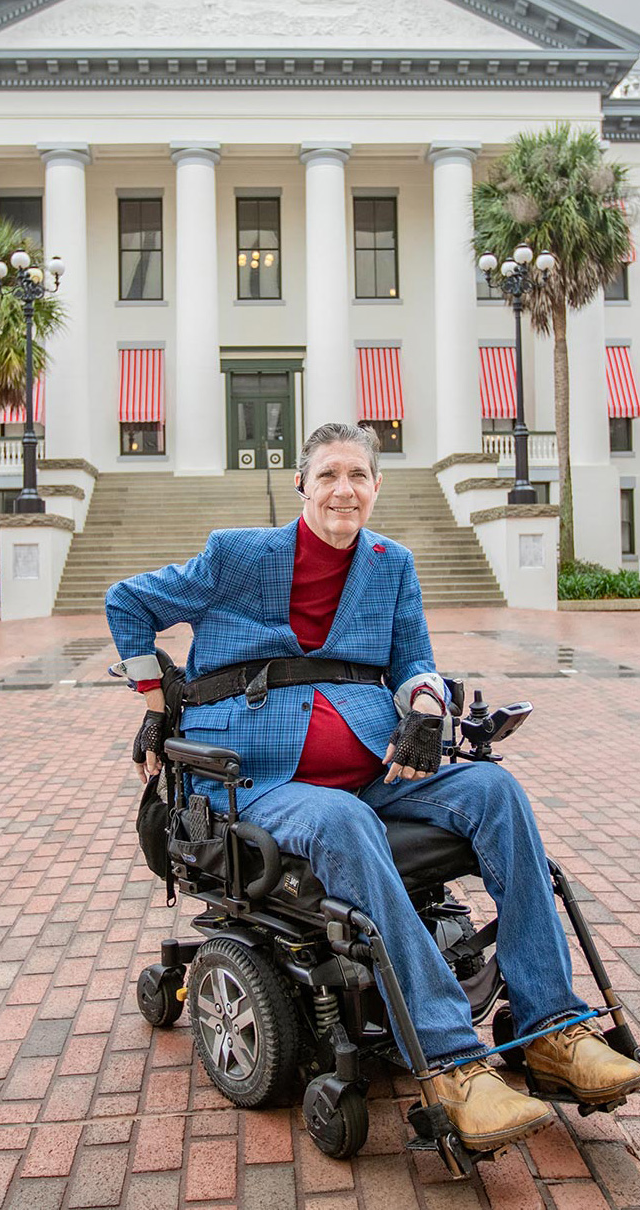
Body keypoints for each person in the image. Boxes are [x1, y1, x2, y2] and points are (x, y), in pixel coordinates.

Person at [106, 422, 640, 1153]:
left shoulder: (392, 565)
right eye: (327, 475)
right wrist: (156, 701)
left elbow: (416, 660)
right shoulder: (237, 555)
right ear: (302, 484)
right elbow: (125, 601)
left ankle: (552, 1029)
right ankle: (453, 1060)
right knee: (339, 820)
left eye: (357, 475)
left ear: (376, 486)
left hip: (368, 770)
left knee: (493, 791)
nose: (343, 489)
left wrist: (424, 706)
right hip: (260, 782)